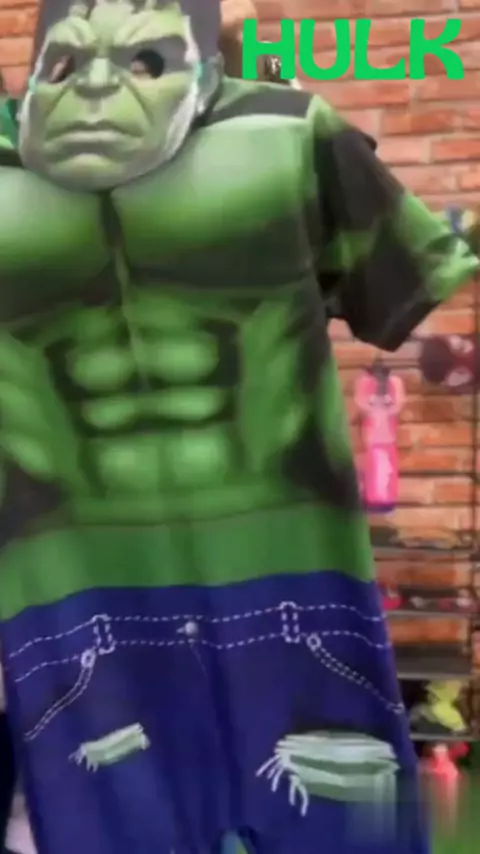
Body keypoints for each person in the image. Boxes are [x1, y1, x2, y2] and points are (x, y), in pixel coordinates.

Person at [0, 2, 477, 854]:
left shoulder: (287, 135)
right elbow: (401, 293)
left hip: (245, 581)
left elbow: (406, 295)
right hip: (88, 599)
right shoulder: (288, 133)